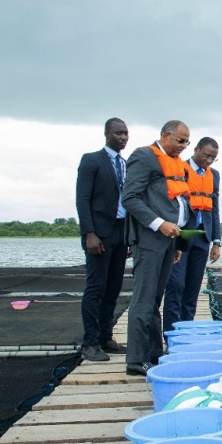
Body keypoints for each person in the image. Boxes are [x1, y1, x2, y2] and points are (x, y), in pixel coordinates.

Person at [121, 120, 195, 376]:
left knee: (155, 299)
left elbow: (179, 203)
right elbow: (130, 198)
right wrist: (159, 224)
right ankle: (136, 359)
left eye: (187, 141)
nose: (184, 146)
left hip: (169, 242)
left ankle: (153, 354)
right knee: (143, 299)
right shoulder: (144, 156)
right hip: (150, 239)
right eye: (181, 140)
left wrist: (177, 243)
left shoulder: (178, 164)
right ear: (165, 136)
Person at [75, 118, 131, 362]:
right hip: (99, 233)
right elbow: (82, 198)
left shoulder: (126, 164)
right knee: (96, 288)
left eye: (126, 134)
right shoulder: (92, 160)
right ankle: (90, 343)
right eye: (119, 133)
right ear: (106, 133)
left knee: (113, 289)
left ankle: (106, 336)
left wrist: (128, 237)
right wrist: (89, 233)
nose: (123, 137)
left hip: (121, 231)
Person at [163, 137, 222, 332]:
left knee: (193, 287)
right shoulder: (179, 168)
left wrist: (216, 241)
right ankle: (170, 333)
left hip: (203, 237)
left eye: (213, 158)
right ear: (196, 149)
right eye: (206, 155)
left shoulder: (214, 175)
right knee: (176, 284)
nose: (209, 161)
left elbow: (214, 209)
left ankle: (187, 330)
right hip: (182, 235)